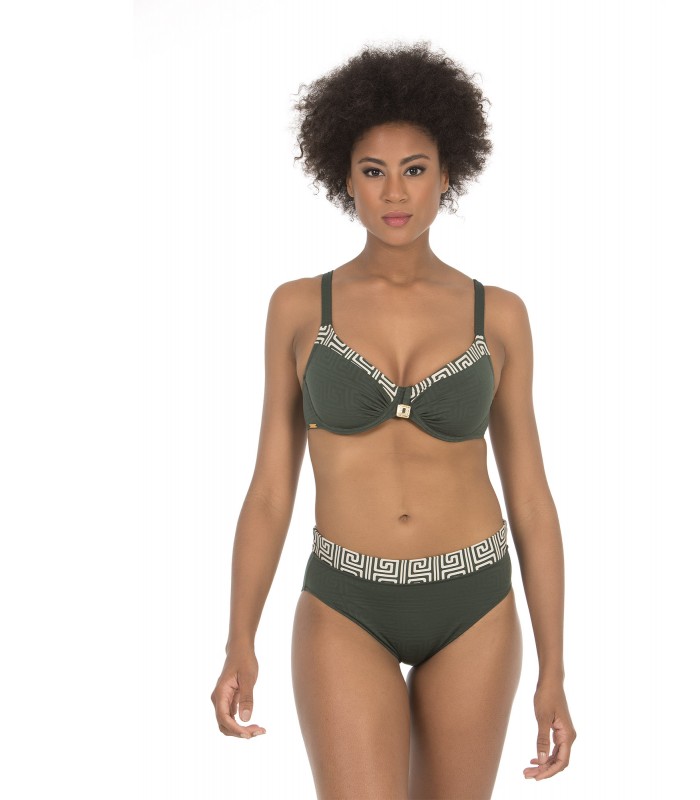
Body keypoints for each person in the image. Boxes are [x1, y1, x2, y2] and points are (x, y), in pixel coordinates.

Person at [211, 41, 576, 798]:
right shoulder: (298, 308)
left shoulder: (499, 316)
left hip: (474, 603)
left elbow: (533, 501)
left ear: (448, 173)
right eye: (373, 171)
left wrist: (554, 669)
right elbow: (271, 491)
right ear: (344, 178)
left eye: (415, 169)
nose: (395, 192)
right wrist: (239, 637)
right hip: (344, 601)